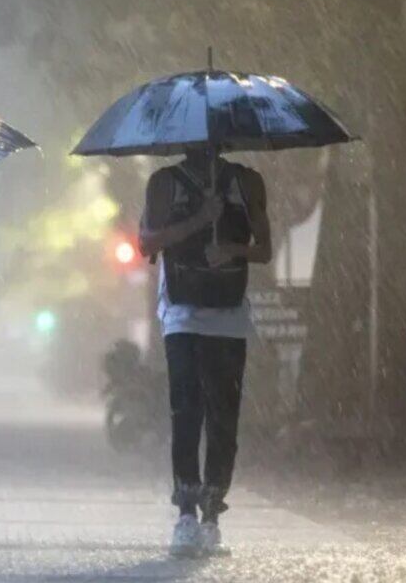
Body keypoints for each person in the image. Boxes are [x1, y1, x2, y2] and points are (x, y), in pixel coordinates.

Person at [139, 152, 271, 557]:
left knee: (223, 413)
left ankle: (213, 511)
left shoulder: (246, 181)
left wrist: (231, 249)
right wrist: (199, 220)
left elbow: (264, 249)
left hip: (228, 314)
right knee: (186, 407)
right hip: (181, 312)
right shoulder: (164, 182)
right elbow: (146, 242)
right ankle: (185, 513)